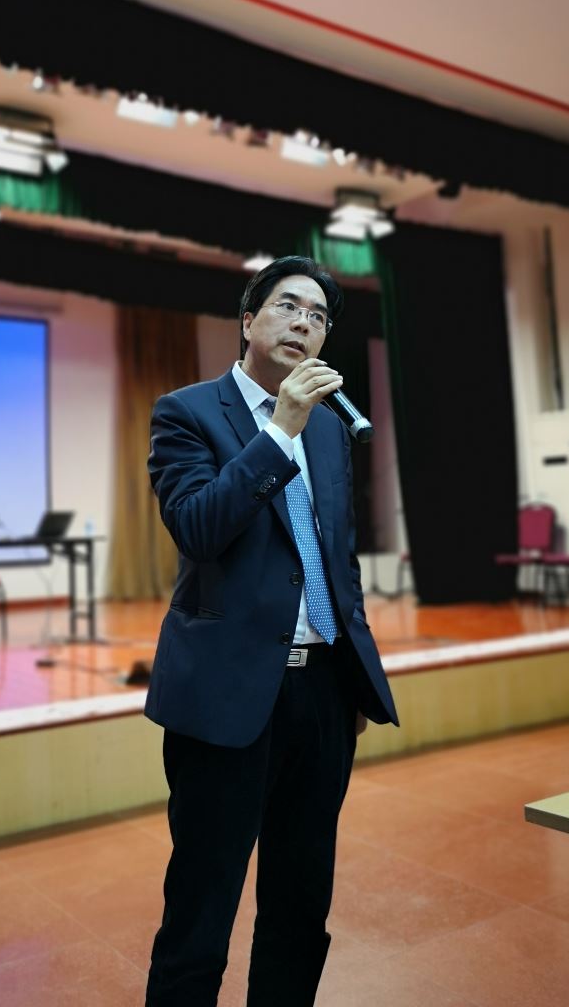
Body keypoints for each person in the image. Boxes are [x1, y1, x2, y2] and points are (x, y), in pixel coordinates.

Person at [143, 255, 399, 1007]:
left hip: (322, 696)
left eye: (319, 317)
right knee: (201, 911)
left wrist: (350, 674)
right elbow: (199, 528)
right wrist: (280, 427)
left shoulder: (329, 430)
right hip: (227, 700)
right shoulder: (187, 413)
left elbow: (337, 557)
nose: (304, 323)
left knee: (300, 905)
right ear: (249, 319)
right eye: (288, 306)